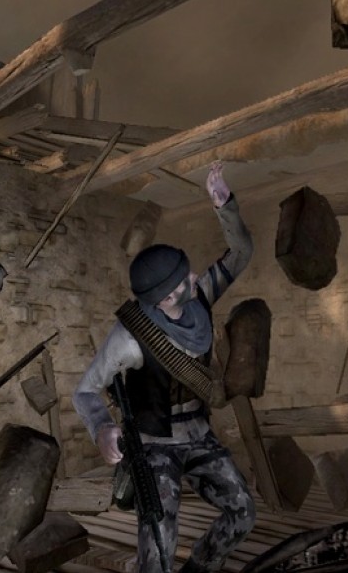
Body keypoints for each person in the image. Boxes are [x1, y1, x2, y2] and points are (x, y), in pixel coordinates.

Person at [72, 161, 256, 573]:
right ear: (166, 298)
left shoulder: (199, 297)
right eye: (184, 278)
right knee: (157, 548)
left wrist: (224, 205)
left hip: (200, 434)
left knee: (242, 512)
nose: (195, 277)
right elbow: (84, 390)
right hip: (155, 445)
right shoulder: (129, 336)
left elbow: (241, 252)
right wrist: (101, 428)